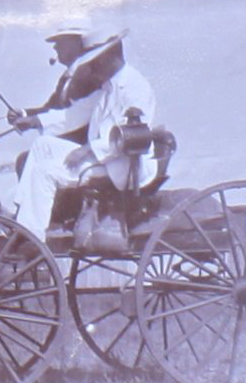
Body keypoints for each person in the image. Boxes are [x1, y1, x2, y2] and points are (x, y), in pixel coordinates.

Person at [12, 26, 157, 242]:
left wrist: (87, 150)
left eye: (94, 62)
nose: (91, 68)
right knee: (43, 144)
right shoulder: (107, 88)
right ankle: (24, 216)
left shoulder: (135, 88)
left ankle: (32, 237)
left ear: (110, 57)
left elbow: (132, 136)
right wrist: (35, 120)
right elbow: (75, 114)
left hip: (123, 166)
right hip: (103, 159)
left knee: (44, 171)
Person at [9, 20, 105, 178]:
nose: (55, 48)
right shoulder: (67, 77)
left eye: (60, 42)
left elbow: (77, 114)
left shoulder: (89, 75)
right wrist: (24, 114)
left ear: (76, 42)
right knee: (24, 160)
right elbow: (52, 108)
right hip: (64, 142)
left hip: (82, 148)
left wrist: (35, 121)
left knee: (26, 160)